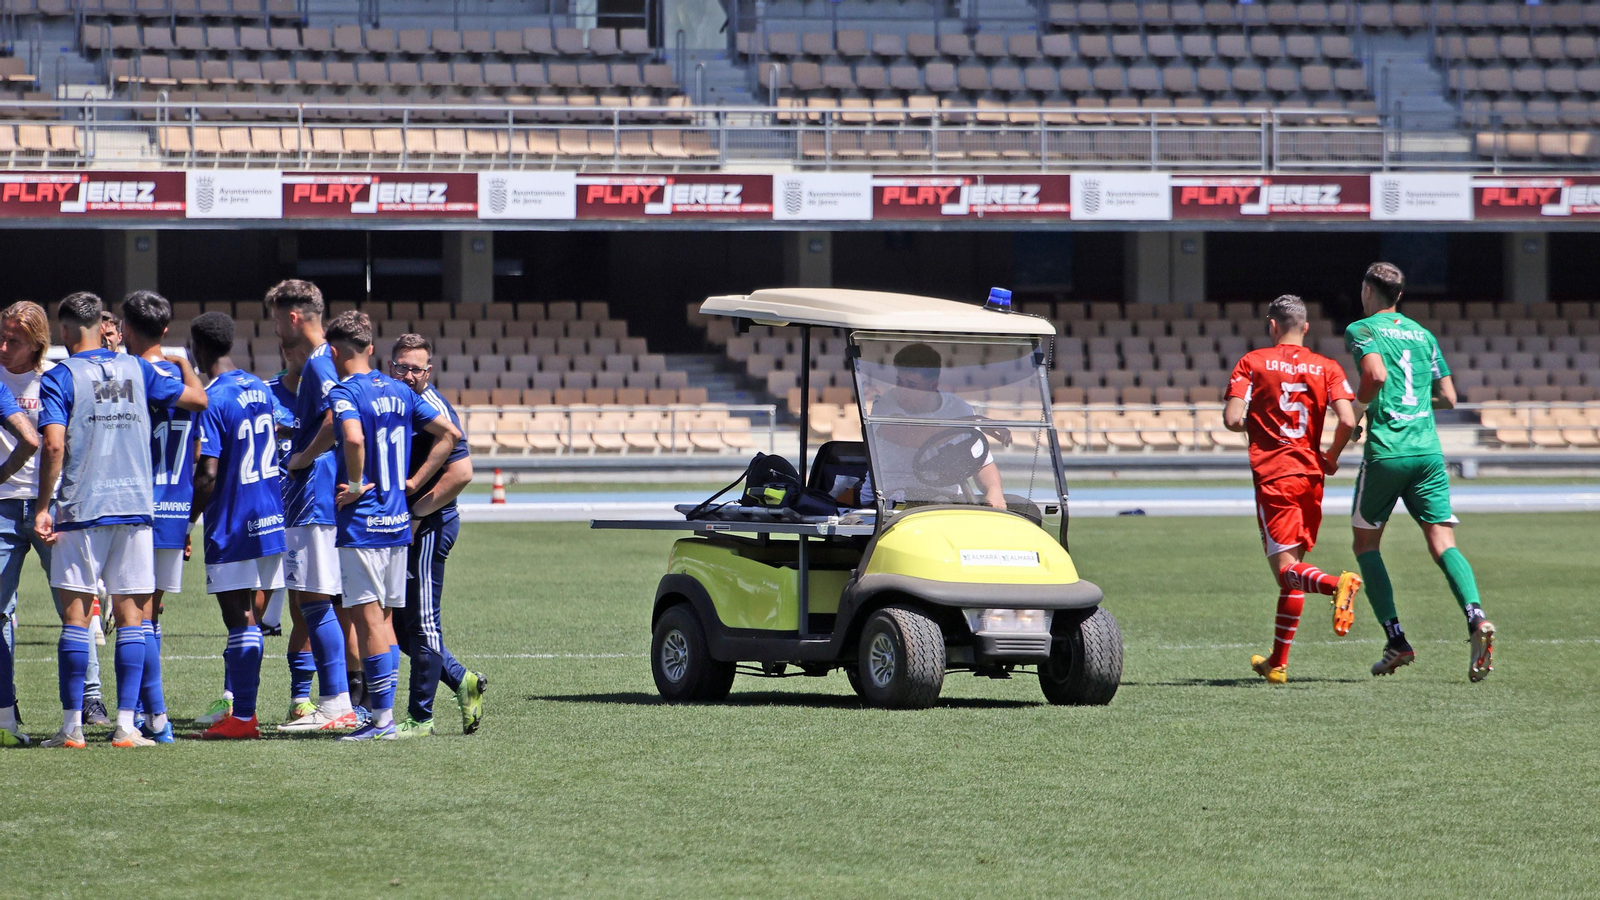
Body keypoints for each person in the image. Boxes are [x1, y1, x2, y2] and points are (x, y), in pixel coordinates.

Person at [35, 292, 206, 749]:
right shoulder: (140, 369)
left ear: (67, 332)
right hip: (134, 508)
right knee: (132, 618)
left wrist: (42, 506)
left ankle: (72, 728)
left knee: (76, 619)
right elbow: (195, 400)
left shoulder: (61, 377)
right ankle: (128, 726)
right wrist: (180, 361)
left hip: (81, 509)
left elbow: (52, 447)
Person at [287, 311, 459, 741]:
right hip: (398, 522)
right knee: (383, 620)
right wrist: (414, 483)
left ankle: (382, 720)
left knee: (367, 622)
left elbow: (353, 437)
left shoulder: (346, 390)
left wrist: (348, 478)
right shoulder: (401, 391)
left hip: (363, 523)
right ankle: (385, 717)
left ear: (333, 350)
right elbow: (449, 434)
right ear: (371, 349)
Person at [1345, 263, 1496, 681]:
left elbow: (1374, 375)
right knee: (1442, 541)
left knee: (1365, 544)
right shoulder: (1424, 335)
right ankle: (1476, 615)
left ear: (1367, 291)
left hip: (1388, 452)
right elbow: (1447, 396)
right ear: (1399, 296)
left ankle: (1396, 640)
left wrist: (1360, 409)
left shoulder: (1362, 330)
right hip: (1428, 452)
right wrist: (1412, 405)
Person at [1223, 295, 1365, 685]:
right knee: (1294, 571)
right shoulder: (1328, 367)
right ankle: (1278, 663)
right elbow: (1350, 421)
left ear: (1272, 326)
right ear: (1305, 327)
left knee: (1288, 573)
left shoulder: (1253, 361)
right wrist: (1331, 456)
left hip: (1275, 476)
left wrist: (1255, 421)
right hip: (1310, 475)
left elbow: (1232, 419)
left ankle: (1339, 584)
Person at [188, 312, 288, 740]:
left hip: (233, 520)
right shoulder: (258, 386)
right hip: (270, 514)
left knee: (239, 620)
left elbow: (208, 473)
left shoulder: (213, 398)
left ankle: (243, 718)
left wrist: (189, 519)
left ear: (198, 349)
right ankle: (242, 710)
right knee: (254, 619)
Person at [265, 280, 356, 733]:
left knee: (315, 603)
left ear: (294, 318)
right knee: (315, 601)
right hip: (319, 498)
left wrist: (302, 455)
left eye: (277, 318)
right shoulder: (326, 360)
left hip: (313, 497)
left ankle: (336, 703)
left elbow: (335, 419)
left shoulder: (320, 363)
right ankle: (338, 700)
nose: (275, 328)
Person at [388, 334, 487, 737]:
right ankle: (462, 680)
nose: (408, 375)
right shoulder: (398, 400)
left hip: (430, 526)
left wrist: (416, 511)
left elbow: (462, 474)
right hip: (408, 526)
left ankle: (421, 718)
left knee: (424, 624)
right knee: (398, 628)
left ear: (428, 372)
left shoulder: (431, 407)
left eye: (416, 369)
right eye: (401, 367)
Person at [121, 291, 199, 743]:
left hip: (138, 503)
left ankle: (155, 717)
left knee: (138, 617)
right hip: (176, 506)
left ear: (127, 328)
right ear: (166, 331)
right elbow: (201, 415)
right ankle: (154, 717)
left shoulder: (135, 374)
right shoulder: (179, 378)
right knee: (150, 616)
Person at [0, 301, 56, 745]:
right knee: (0, 612)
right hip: (1, 506)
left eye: (13, 340)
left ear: (36, 343)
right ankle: (5, 709)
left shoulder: (55, 377)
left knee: (75, 608)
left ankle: (88, 704)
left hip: (48, 507)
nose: (3, 346)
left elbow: (62, 443)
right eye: (1, 336)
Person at [860, 343, 1007, 509]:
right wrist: (970, 422)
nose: (902, 390)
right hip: (885, 499)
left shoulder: (959, 409)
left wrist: (994, 491)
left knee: (1024, 510)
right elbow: (912, 436)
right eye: (899, 382)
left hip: (944, 498)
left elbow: (981, 462)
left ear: (932, 386)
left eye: (911, 385)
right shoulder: (884, 404)